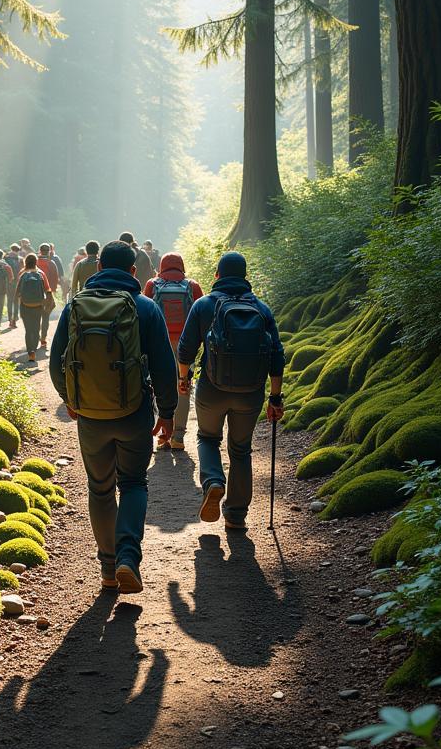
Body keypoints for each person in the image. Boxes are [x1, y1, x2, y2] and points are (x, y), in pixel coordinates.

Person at [50, 240, 178, 594]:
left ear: (98, 266)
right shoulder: (146, 307)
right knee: (134, 483)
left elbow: (55, 361)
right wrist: (167, 413)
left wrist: (70, 399)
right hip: (134, 411)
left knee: (100, 488)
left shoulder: (74, 306)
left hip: (90, 415)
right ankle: (127, 557)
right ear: (134, 271)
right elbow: (165, 367)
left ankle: (107, 569)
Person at [176, 252, 285, 531]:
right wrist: (275, 397)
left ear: (217, 276)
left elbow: (186, 348)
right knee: (241, 450)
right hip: (251, 393)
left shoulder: (203, 305)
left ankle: (213, 481)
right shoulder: (261, 308)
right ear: (245, 276)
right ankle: (236, 516)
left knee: (207, 438)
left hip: (212, 389)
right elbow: (276, 355)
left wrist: (183, 378)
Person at [144, 253, 204, 451]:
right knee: (183, 387)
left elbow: (145, 314)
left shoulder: (152, 285)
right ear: (181, 266)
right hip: (186, 343)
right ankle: (178, 436)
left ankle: (164, 435)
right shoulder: (192, 286)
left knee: (159, 386)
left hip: (159, 342)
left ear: (162, 267)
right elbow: (201, 315)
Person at [15, 253, 52, 363]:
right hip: (38, 306)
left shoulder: (22, 273)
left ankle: (30, 351)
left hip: (25, 305)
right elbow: (48, 290)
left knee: (28, 330)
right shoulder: (41, 274)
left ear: (26, 262)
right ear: (36, 262)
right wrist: (48, 303)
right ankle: (33, 352)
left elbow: (17, 293)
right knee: (36, 329)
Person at [36, 244, 60, 348]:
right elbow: (55, 279)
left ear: (40, 250)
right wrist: (52, 291)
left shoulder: (34, 262)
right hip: (47, 294)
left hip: (34, 294)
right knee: (45, 316)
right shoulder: (51, 263)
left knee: (35, 316)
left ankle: (36, 335)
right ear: (49, 251)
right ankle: (43, 338)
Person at [4, 244, 23, 328]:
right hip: (17, 282)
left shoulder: (5, 258)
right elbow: (23, 272)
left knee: (9, 301)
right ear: (18, 250)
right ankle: (14, 319)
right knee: (16, 302)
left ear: (11, 249)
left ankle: (9, 319)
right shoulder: (20, 260)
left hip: (8, 282)